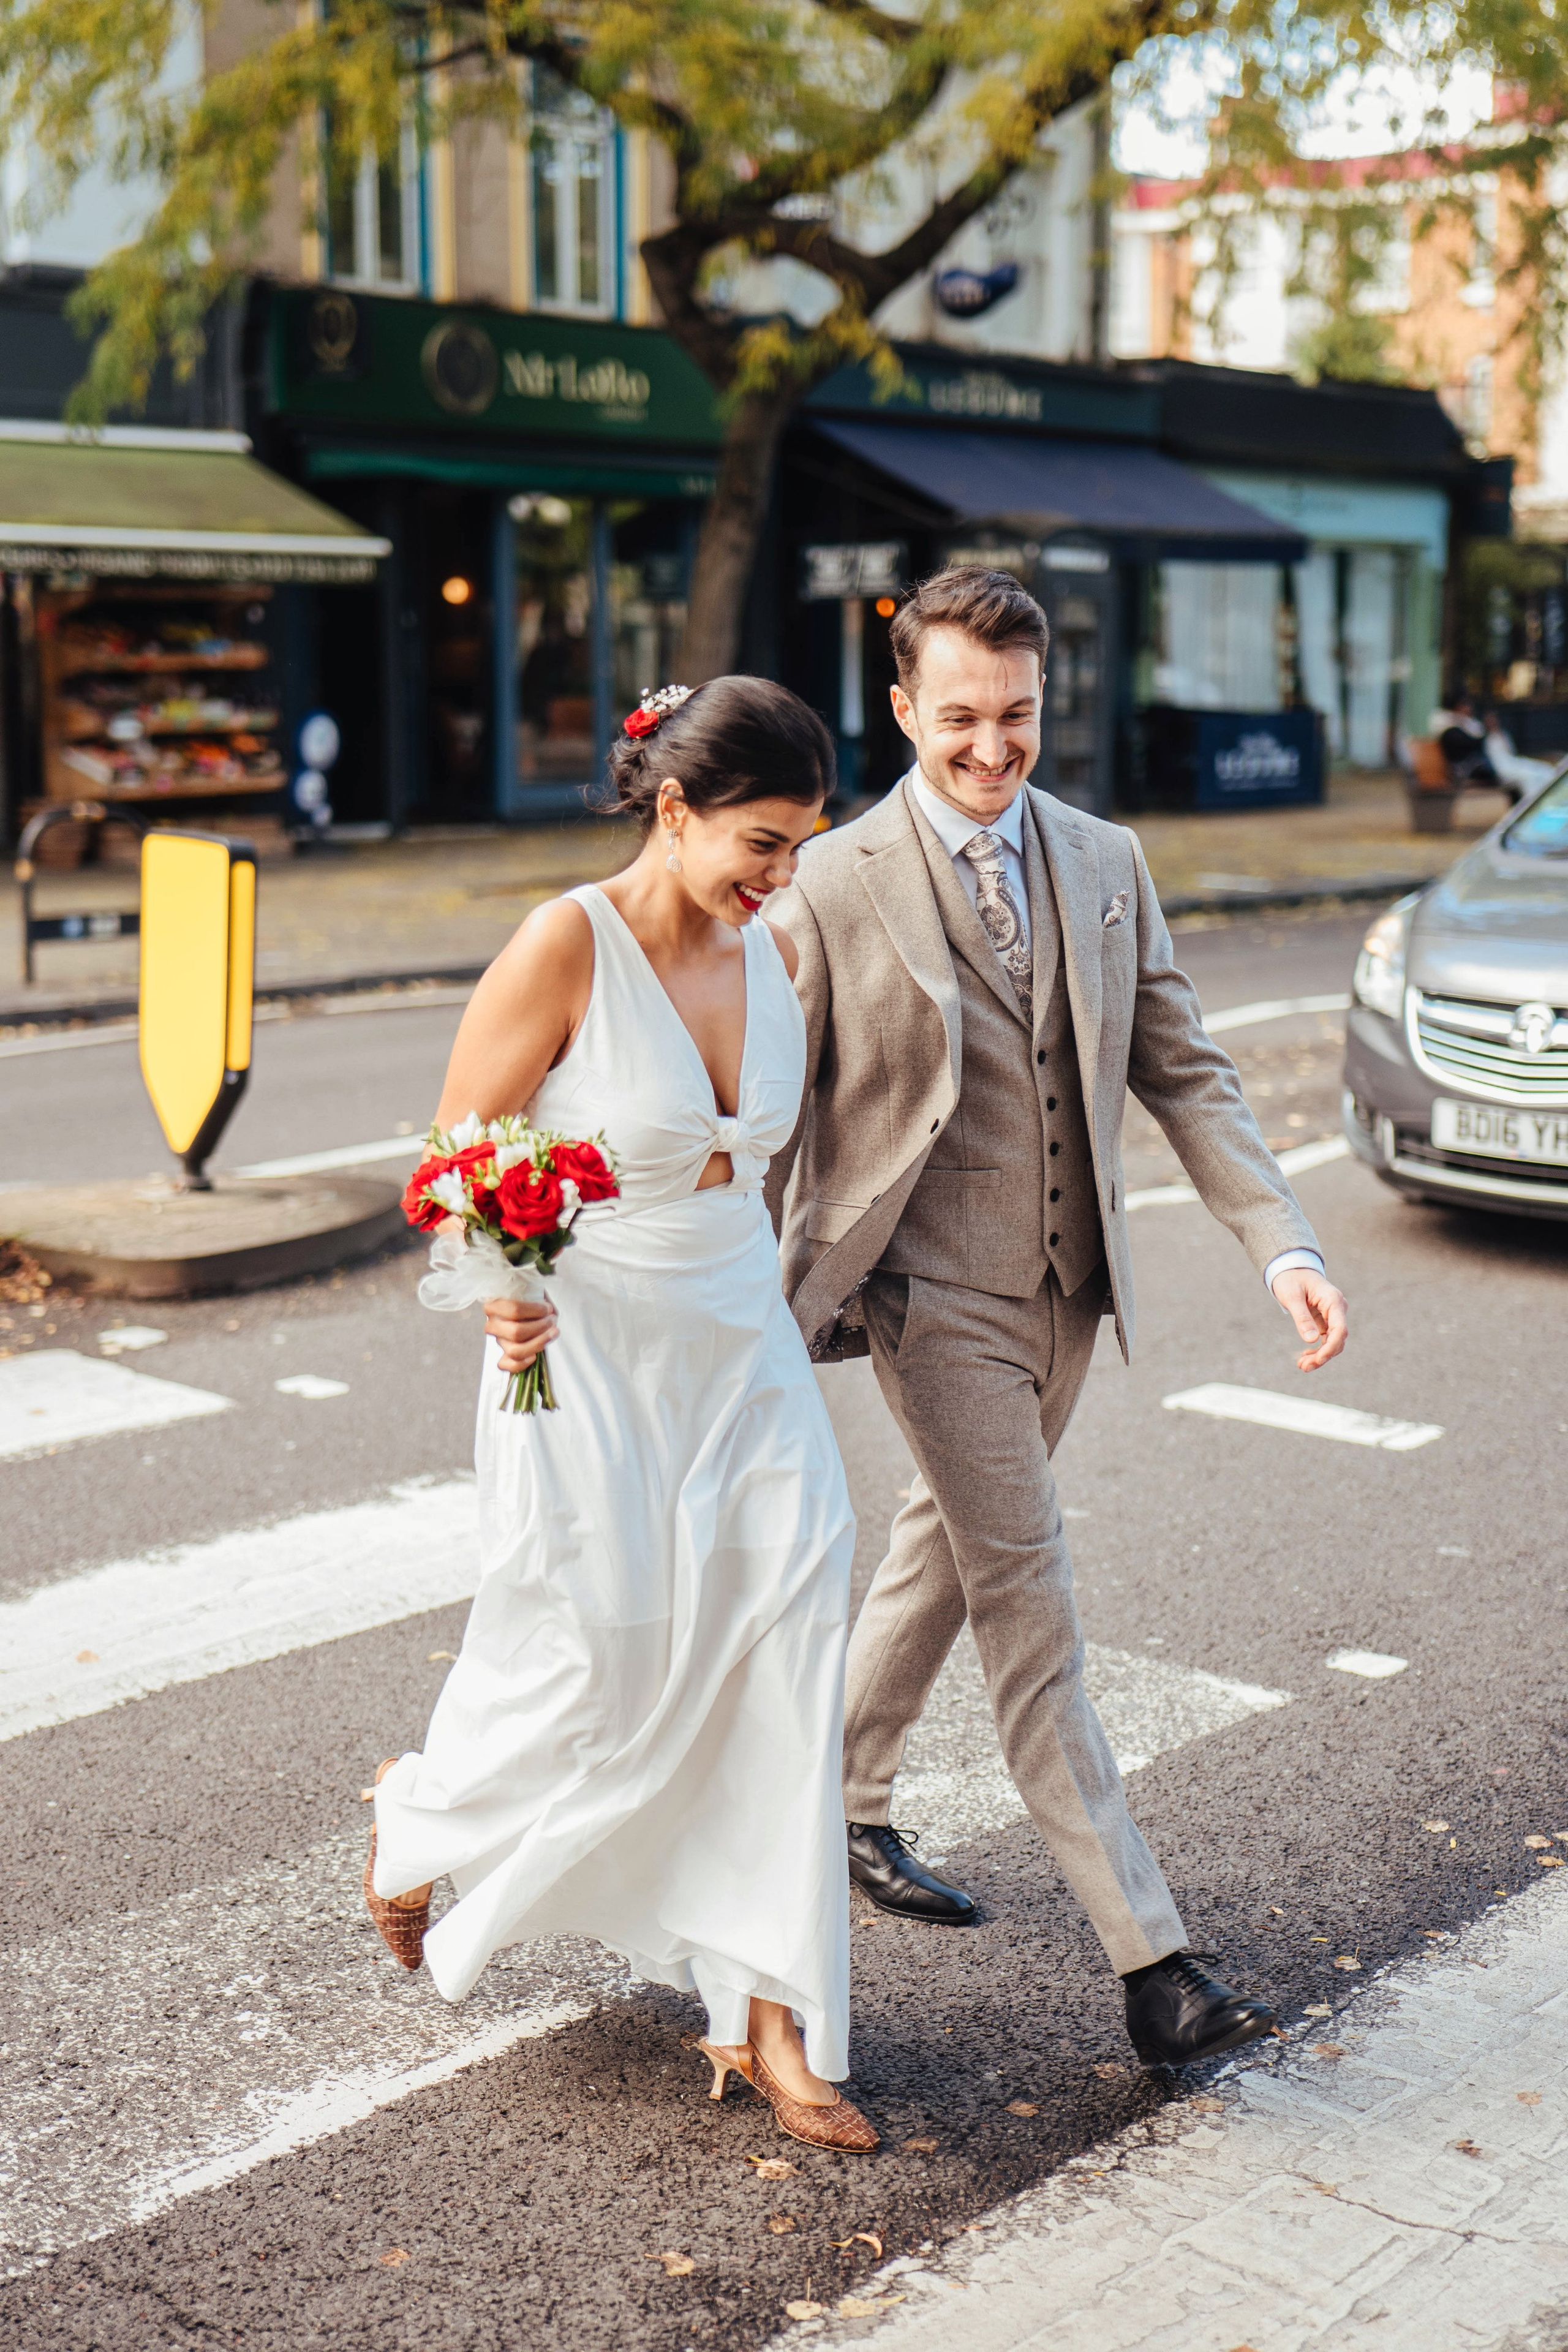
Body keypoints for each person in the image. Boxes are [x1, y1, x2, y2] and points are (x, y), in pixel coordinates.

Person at [765, 567, 1350, 2070]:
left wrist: (1277, 1242)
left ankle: (836, 1799)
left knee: (945, 1546)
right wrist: (725, 1305)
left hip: (1066, 1292)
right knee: (1029, 1598)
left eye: (1015, 714)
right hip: (927, 1293)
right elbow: (770, 1112)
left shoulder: (1101, 857)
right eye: (958, 716)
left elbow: (1183, 1067)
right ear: (903, 708)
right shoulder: (828, 881)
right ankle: (1152, 1963)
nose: (990, 746)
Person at [366, 676, 876, 2153]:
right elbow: (455, 1157)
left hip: (739, 1343)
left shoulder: (768, 948)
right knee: (594, 1654)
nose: (780, 878)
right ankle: (422, 1817)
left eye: (799, 847)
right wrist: (497, 1283)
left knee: (789, 1641)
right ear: (674, 807)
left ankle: (768, 2014)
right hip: (584, 1347)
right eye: (761, 844)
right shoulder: (564, 942)